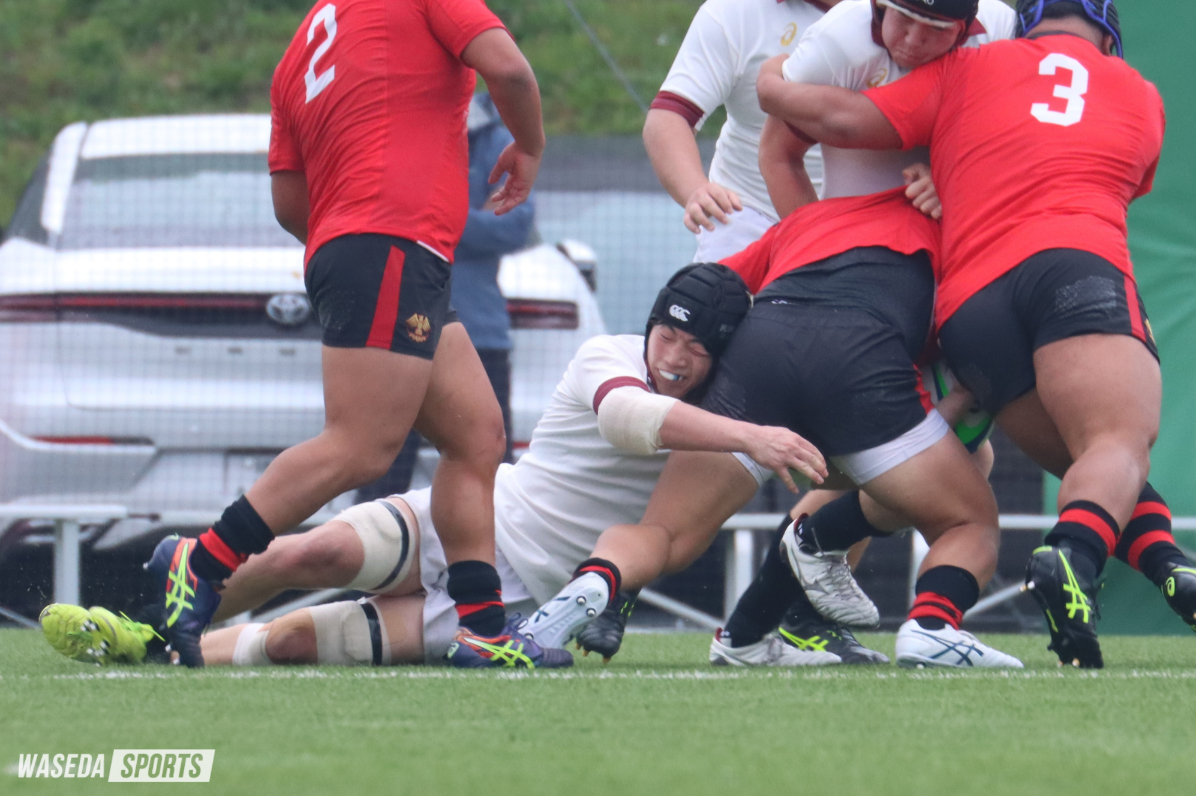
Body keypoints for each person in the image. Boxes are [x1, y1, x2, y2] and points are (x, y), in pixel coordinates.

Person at [44, 265, 838, 669]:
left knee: (289, 642)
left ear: (722, 359)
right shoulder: (611, 358)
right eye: (669, 333)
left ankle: (155, 654)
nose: (674, 357)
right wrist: (757, 437)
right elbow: (629, 421)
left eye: (697, 348)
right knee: (310, 553)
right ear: (650, 323)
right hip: (471, 523)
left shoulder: (732, 425)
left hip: (522, 599)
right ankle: (150, 624)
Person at [756, 0, 1196, 667]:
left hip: (969, 306)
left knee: (1091, 468)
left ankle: (1167, 564)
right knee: (1115, 444)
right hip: (1073, 263)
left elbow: (844, 119)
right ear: (1109, 34)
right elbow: (1116, 178)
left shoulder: (970, 67)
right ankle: (1072, 557)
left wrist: (772, 85)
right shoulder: (1138, 92)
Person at [145, 0, 557, 669]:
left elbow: (289, 201)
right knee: (361, 446)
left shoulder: (299, 49)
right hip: (395, 241)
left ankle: (483, 629)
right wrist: (530, 146)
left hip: (370, 246)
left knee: (476, 436)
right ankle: (203, 560)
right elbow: (508, 70)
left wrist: (352, 235)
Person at [717, 0, 1015, 665]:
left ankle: (758, 625)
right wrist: (827, 250)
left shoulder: (998, 30)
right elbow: (777, 151)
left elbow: (1009, 145)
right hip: (874, 294)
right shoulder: (842, 38)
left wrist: (953, 177)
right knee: (934, 473)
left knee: (955, 460)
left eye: (934, 29)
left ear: (967, 27)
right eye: (901, 18)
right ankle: (766, 617)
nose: (911, 40)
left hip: (937, 274)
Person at [355, 92, 534, 502]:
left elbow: (514, 225)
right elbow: (375, 217)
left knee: (489, 470)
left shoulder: (496, 142)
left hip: (478, 334)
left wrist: (428, 216)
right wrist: (464, 218)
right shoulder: (389, 131)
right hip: (399, 333)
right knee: (380, 470)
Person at [645, 0, 837, 263]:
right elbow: (668, 118)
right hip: (746, 217)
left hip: (864, 225)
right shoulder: (733, 10)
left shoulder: (890, 19)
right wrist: (696, 190)